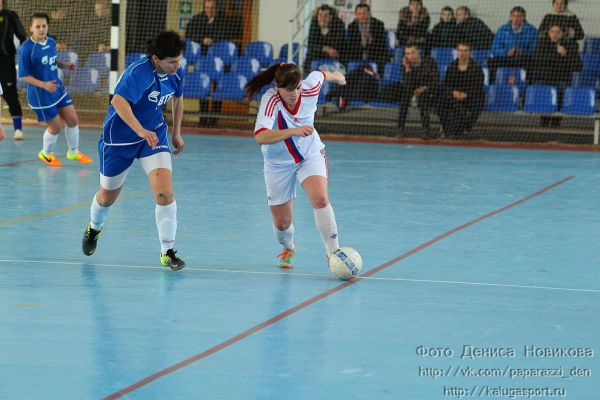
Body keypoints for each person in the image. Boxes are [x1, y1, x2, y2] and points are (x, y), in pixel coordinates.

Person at [81, 30, 187, 271]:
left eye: (179, 60)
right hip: (119, 139)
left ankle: (167, 251)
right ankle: (94, 228)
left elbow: (178, 98)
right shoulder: (138, 73)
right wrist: (139, 130)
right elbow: (118, 101)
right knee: (107, 197)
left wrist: (176, 132)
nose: (177, 66)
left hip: (153, 134)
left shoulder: (175, 72)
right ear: (156, 58)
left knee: (164, 193)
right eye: (172, 61)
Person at [244, 63, 346, 268]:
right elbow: (261, 136)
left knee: (320, 198)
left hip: (309, 154)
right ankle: (288, 247)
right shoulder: (271, 100)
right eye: (289, 89)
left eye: (298, 87)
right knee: (282, 223)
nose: (295, 94)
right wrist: (293, 131)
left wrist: (336, 76)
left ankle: (334, 252)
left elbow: (320, 74)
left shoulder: (309, 89)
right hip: (278, 164)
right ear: (277, 86)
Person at [18, 13, 92, 167]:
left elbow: (51, 59)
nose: (41, 29)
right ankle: (45, 153)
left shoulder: (51, 41)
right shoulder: (27, 48)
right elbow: (23, 75)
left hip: (57, 88)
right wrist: (43, 84)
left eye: (44, 26)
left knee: (73, 120)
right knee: (56, 127)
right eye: (37, 26)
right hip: (41, 95)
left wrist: (64, 65)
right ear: (31, 28)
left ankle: (73, 152)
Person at [377, 42, 440, 139]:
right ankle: (400, 130)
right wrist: (407, 69)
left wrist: (424, 88)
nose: (411, 56)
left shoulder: (429, 61)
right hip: (412, 90)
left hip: (428, 90)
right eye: (408, 53)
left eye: (413, 52)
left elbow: (436, 81)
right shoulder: (404, 65)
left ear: (418, 51)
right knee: (404, 98)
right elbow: (407, 85)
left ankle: (426, 131)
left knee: (423, 100)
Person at [185, 0, 230, 127]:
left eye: (212, 8)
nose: (209, 10)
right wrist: (202, 40)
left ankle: (215, 118)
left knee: (218, 86)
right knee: (202, 84)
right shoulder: (197, 19)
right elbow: (189, 34)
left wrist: (213, 39)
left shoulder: (224, 19)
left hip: (219, 59)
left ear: (216, 8)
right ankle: (203, 117)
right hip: (203, 58)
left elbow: (229, 33)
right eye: (207, 8)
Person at [532, 22, 582, 127]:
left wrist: (565, 54)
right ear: (548, 33)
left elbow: (578, 66)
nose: (555, 34)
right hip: (544, 79)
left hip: (562, 79)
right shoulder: (542, 44)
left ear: (563, 33)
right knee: (544, 95)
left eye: (558, 32)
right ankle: (544, 121)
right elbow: (535, 61)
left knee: (562, 92)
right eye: (552, 32)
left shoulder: (571, 45)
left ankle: (556, 122)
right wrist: (555, 53)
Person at [439, 42, 485, 137]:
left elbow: (478, 87)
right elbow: (446, 85)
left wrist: (466, 94)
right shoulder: (452, 66)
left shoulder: (476, 68)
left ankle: (466, 129)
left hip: (470, 97)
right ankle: (446, 128)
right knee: (442, 100)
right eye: (460, 50)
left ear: (470, 52)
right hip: (454, 96)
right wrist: (453, 92)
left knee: (478, 102)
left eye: (465, 51)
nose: (462, 53)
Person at [487, 6, 538, 84]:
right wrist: (507, 52)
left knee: (533, 63)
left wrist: (523, 53)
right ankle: (492, 87)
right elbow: (494, 49)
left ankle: (528, 88)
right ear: (511, 17)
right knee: (491, 62)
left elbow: (535, 49)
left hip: (523, 60)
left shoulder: (532, 31)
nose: (516, 19)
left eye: (519, 16)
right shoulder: (502, 30)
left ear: (524, 17)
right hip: (506, 59)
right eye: (514, 16)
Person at [0, 0, 27, 140]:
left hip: (6, 62)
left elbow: (22, 36)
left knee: (10, 95)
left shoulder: (10, 16)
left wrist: (29, 54)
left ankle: (18, 129)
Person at [344, 4, 388, 74]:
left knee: (382, 56)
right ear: (356, 15)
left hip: (375, 53)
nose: (362, 16)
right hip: (358, 54)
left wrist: (370, 39)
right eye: (359, 14)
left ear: (369, 14)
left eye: (364, 13)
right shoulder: (352, 26)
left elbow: (381, 44)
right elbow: (353, 45)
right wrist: (363, 41)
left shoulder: (378, 24)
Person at [304, 4, 346, 73]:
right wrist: (325, 48)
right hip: (320, 52)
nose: (322, 18)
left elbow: (338, 42)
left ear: (331, 17)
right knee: (309, 54)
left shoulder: (339, 24)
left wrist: (327, 27)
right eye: (320, 15)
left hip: (335, 52)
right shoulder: (314, 23)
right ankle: (307, 74)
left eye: (326, 15)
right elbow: (311, 44)